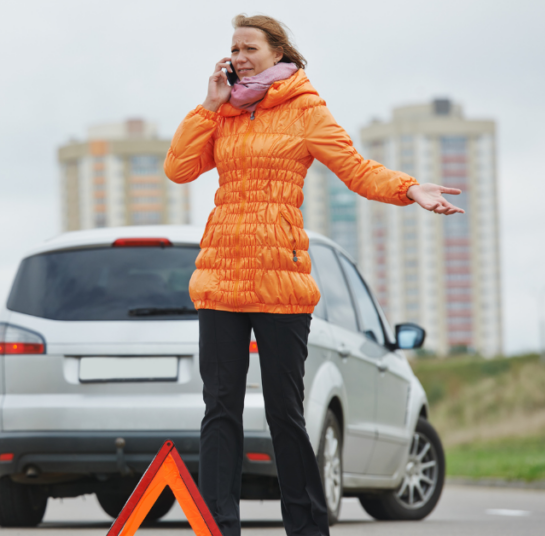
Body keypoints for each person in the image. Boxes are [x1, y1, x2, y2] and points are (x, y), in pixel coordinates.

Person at [164, 14, 463, 536]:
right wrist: (208, 105)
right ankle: (218, 528)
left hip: (281, 285)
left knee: (286, 414)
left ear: (277, 51)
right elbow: (179, 168)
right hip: (220, 280)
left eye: (248, 47)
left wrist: (411, 188)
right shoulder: (223, 113)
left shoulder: (305, 109)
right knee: (220, 412)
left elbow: (356, 168)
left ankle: (306, 528)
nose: (238, 56)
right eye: (233, 48)